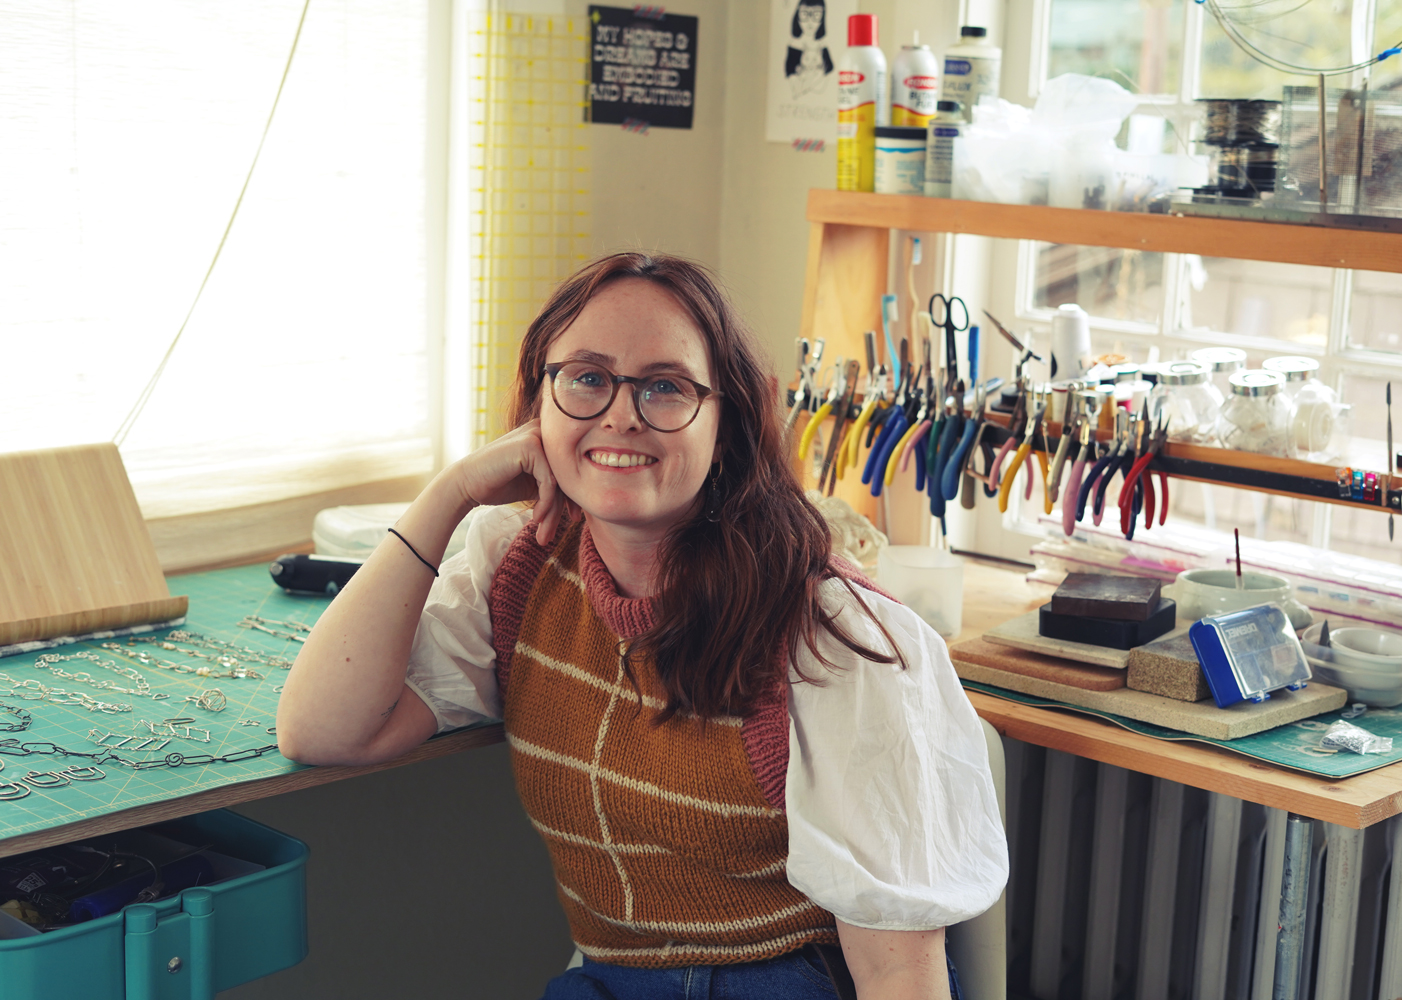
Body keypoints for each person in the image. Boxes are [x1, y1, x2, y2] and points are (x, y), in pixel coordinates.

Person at [276, 252, 1008, 999]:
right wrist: (451, 492)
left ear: (727, 422)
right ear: (541, 404)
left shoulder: (829, 632)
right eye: (587, 378)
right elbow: (324, 730)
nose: (620, 414)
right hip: (611, 979)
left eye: (665, 387)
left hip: (788, 978)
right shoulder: (518, 566)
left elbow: (896, 970)